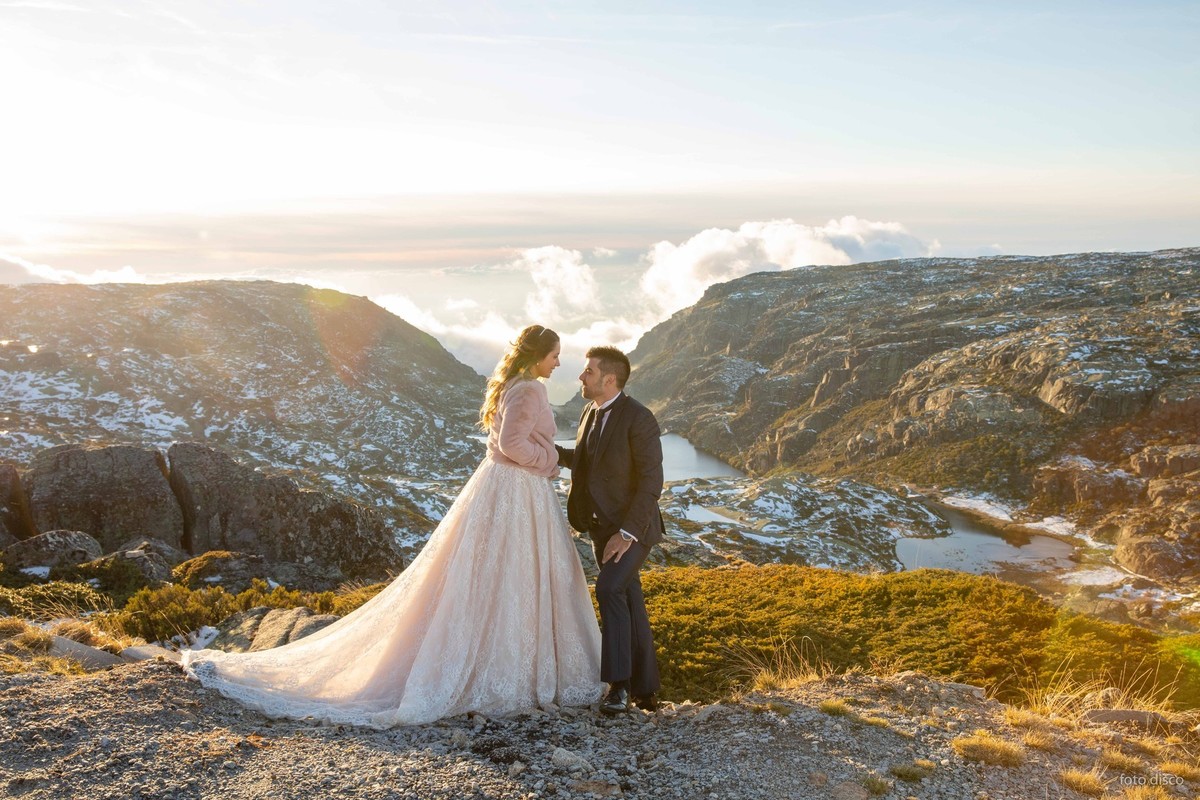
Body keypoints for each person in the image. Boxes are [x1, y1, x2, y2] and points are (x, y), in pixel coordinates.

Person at [181, 325, 604, 728]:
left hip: (503, 488)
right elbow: (512, 445)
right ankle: (505, 671)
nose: (558, 364)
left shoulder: (513, 385)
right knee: (515, 575)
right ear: (536, 357)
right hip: (517, 493)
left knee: (491, 576)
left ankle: (494, 660)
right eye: (554, 356)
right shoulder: (531, 388)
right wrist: (550, 462)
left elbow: (503, 443)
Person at [556, 346, 664, 714]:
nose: (581, 377)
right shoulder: (590, 411)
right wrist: (540, 448)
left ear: (609, 379)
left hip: (634, 530)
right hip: (600, 528)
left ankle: (618, 686)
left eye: (588, 372)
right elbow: (583, 463)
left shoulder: (640, 418)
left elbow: (652, 482)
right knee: (630, 598)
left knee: (608, 588)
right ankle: (646, 690)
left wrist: (626, 534)